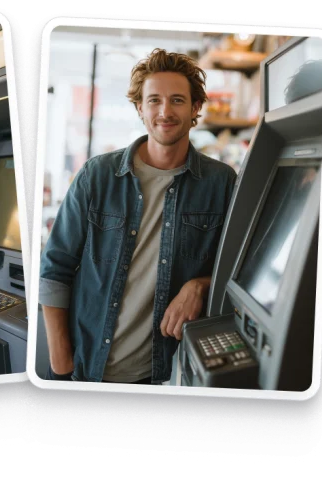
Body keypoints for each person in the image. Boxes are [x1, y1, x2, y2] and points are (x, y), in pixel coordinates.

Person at [40, 48, 238, 384]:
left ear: (195, 108)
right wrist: (61, 366)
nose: (165, 111)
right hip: (88, 369)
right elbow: (54, 269)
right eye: (154, 100)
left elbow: (238, 269)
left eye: (177, 100)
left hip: (166, 375)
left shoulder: (221, 183)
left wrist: (199, 286)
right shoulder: (97, 175)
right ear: (139, 108)